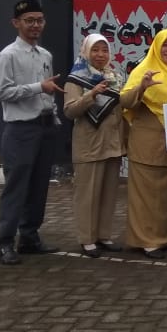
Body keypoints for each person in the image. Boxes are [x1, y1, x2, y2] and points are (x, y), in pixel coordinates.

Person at [0, 0, 63, 265]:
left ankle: (30, 237)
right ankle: (4, 243)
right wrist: (37, 88)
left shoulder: (45, 55)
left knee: (38, 186)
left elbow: (50, 90)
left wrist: (53, 115)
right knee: (16, 187)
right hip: (21, 129)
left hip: (44, 127)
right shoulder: (8, 55)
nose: (35, 25)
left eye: (39, 20)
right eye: (29, 21)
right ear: (16, 23)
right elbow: (2, 92)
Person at [64, 34, 135, 257]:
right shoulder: (76, 79)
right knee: (88, 194)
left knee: (108, 193)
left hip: (112, 144)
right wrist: (91, 95)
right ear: (86, 52)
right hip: (89, 145)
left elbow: (122, 104)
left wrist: (140, 87)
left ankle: (104, 235)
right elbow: (70, 111)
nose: (100, 55)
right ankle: (87, 238)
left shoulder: (114, 76)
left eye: (104, 50)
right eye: (95, 50)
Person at [121, 29, 167, 259]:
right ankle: (146, 240)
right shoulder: (143, 70)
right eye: (165, 45)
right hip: (148, 142)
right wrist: (143, 87)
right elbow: (124, 100)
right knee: (146, 195)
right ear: (156, 46)